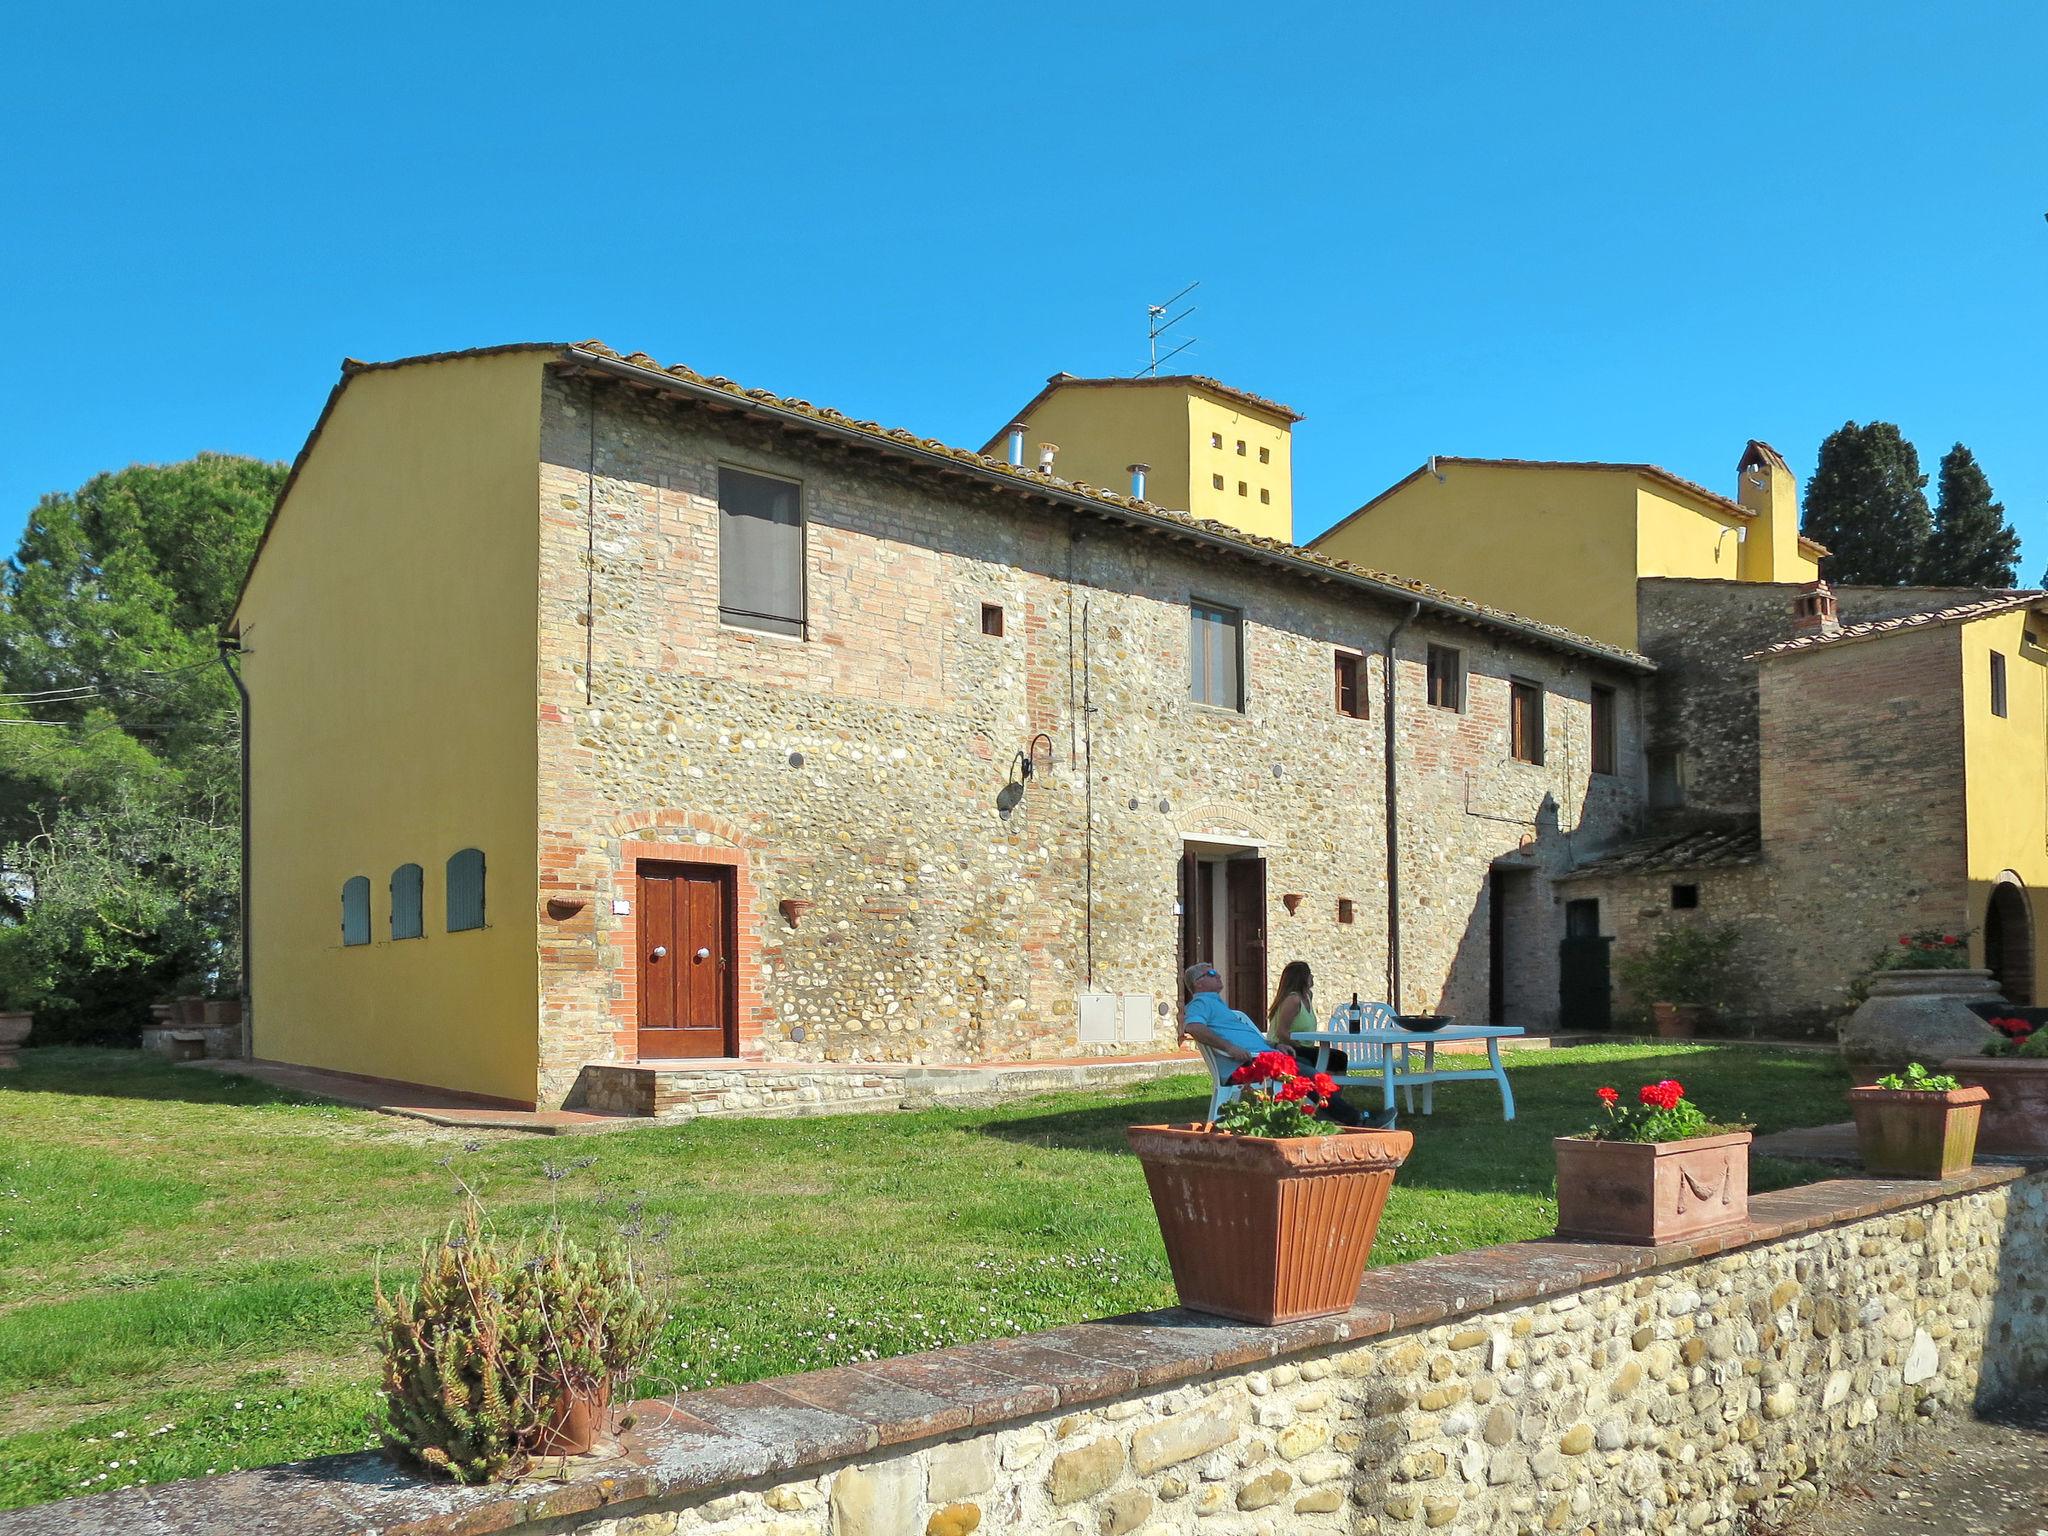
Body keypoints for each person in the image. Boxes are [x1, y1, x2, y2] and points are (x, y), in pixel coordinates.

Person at [1181, 961, 1380, 1128]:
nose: (1218, 975)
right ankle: (1357, 1119)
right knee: (1308, 1073)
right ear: (1199, 984)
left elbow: (1247, 1039)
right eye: (1212, 973)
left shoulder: (1217, 1004)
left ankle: (1327, 1113)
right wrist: (1230, 1048)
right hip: (1247, 1064)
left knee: (1306, 1064)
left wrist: (1275, 1045)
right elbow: (1193, 1027)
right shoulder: (1201, 1003)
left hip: (1264, 1056)